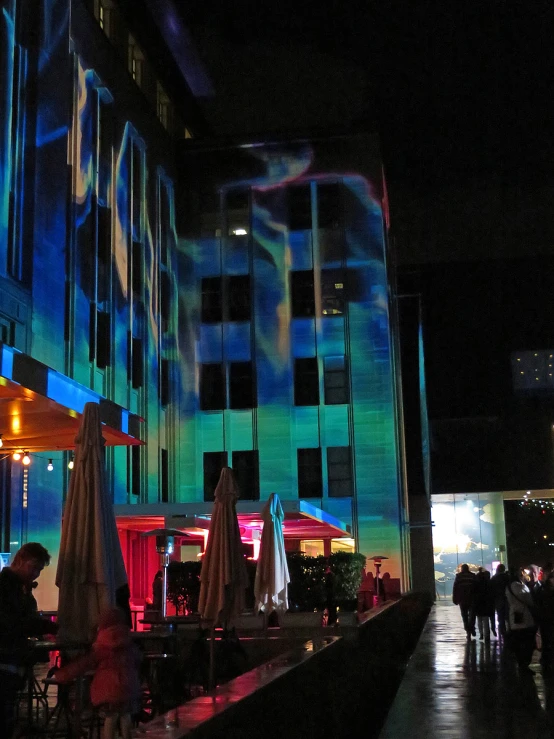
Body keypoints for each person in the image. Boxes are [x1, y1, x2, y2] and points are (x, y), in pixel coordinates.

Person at [0, 542, 58, 738]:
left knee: (8, 710)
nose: (36, 574)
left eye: (39, 569)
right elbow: (16, 621)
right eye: (34, 567)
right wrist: (48, 627)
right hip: (6, 657)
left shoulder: (16, 588)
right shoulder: (10, 589)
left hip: (11, 658)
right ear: (21, 560)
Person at [56, 607, 141, 739]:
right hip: (128, 687)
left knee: (110, 718)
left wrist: (63, 675)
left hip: (108, 690)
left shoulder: (102, 647)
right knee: (125, 716)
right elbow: (138, 658)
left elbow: (83, 664)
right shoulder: (129, 643)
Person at [505, 567, 537, 673]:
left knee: (519, 643)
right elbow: (530, 601)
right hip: (524, 617)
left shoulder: (508, 587)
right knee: (527, 643)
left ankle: (521, 663)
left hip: (514, 617)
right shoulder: (520, 587)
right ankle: (524, 665)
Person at [452, 563, 476, 639]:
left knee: (464, 616)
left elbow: (455, 588)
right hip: (472, 599)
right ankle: (471, 628)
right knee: (472, 615)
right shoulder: (473, 576)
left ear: (462, 569)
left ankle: (468, 631)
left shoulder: (458, 576)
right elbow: (476, 587)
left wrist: (455, 598)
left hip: (462, 600)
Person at [474, 567, 494, 642]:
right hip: (486, 603)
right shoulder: (487, 583)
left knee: (479, 619)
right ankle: (487, 635)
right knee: (486, 619)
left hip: (478, 603)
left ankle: (481, 634)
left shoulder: (476, 584)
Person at [490, 563, 509, 638]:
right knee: (508, 616)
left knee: (500, 617)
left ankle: (502, 632)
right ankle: (509, 631)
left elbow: (491, 590)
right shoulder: (507, 577)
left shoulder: (494, 578)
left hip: (498, 599)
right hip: (507, 598)